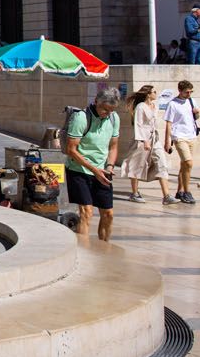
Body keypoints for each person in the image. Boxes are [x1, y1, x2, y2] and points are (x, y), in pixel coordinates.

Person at [65, 88, 122, 242]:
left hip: (102, 171)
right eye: (105, 109)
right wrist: (94, 170)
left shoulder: (114, 118)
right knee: (86, 212)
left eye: (112, 110)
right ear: (96, 101)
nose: (108, 113)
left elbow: (113, 146)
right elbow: (71, 150)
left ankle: (104, 248)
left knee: (108, 214)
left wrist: (110, 166)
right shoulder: (81, 118)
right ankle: (84, 253)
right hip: (79, 169)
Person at [123, 84, 173, 205]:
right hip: (142, 139)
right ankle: (134, 193)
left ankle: (166, 195)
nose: (156, 93)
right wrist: (144, 140)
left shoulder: (154, 106)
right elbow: (138, 124)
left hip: (154, 139)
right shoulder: (141, 107)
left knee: (162, 163)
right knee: (137, 165)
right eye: (154, 91)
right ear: (148, 94)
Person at [163, 79, 200, 205]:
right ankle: (187, 192)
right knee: (188, 163)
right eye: (186, 92)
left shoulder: (191, 101)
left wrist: (197, 113)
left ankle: (180, 191)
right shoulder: (173, 104)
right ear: (180, 91)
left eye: (190, 92)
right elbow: (168, 123)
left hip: (191, 136)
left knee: (184, 165)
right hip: (179, 136)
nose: (189, 94)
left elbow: (196, 118)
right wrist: (167, 141)